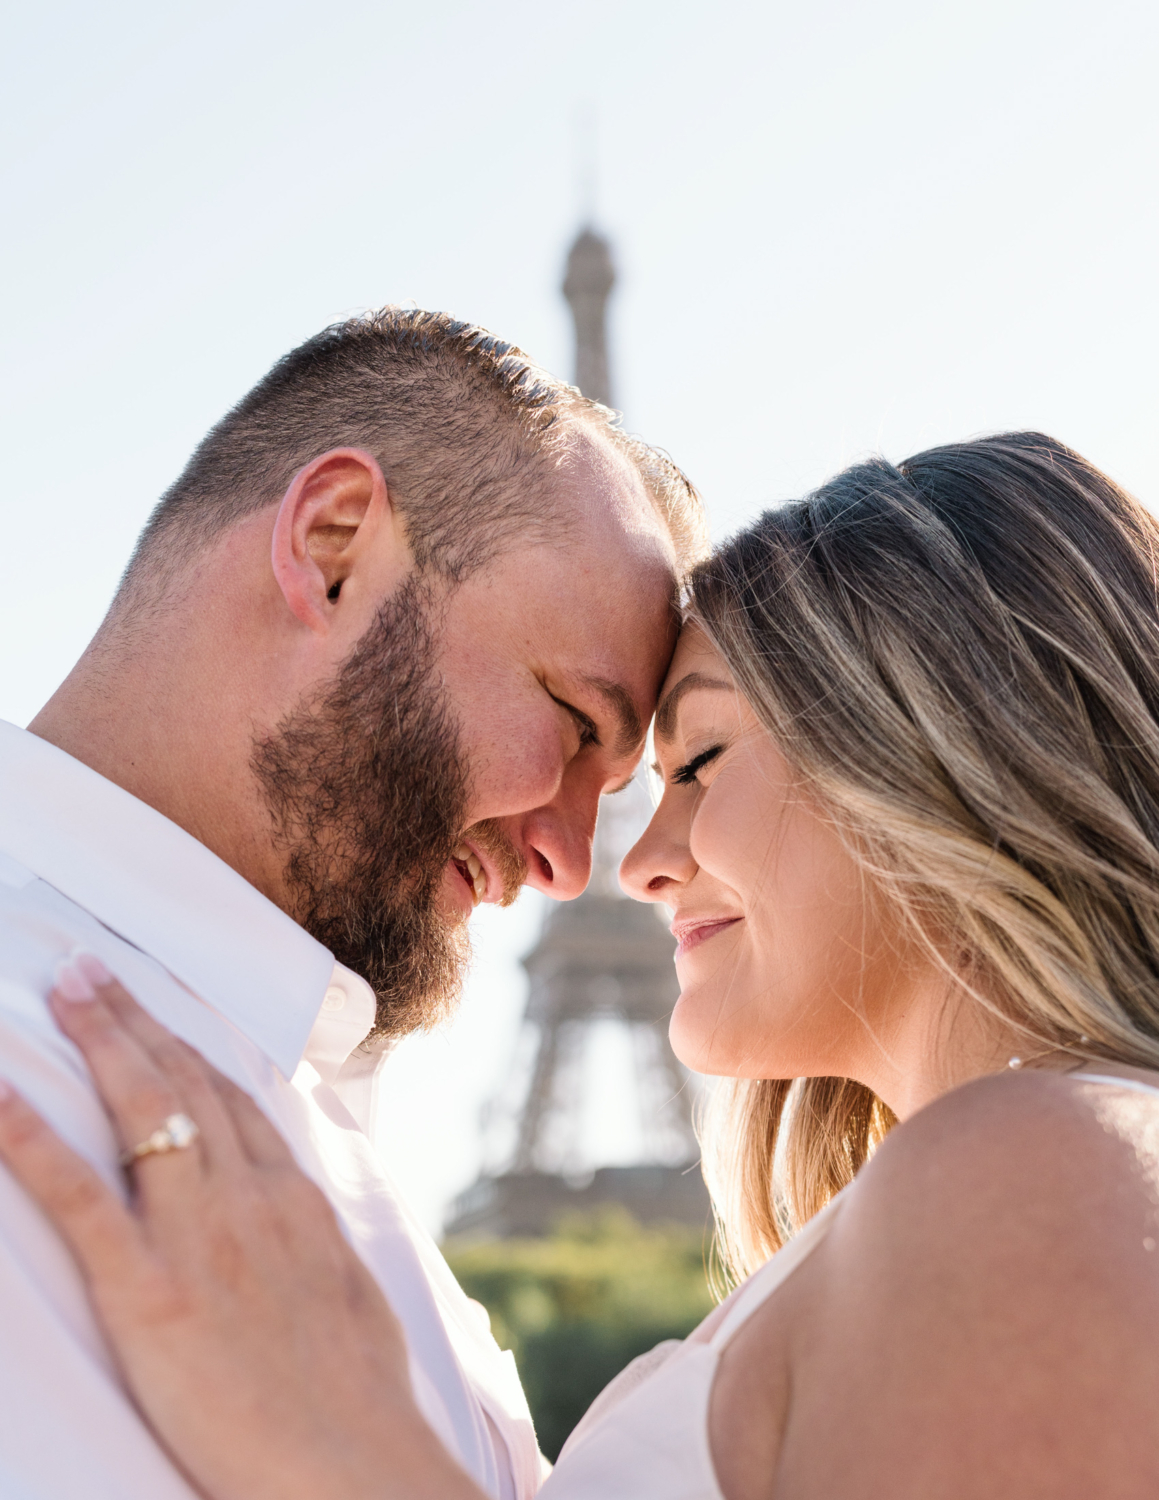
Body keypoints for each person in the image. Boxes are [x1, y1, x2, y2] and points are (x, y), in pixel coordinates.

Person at [4, 429, 1159, 1498]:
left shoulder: (1037, 1171)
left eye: (697, 758)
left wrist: (349, 1452)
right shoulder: (1019, 1187)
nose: (629, 863)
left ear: (939, 758)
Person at [0, 306, 707, 1499]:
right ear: (332, 546)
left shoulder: (350, 1191)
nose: (571, 865)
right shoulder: (47, 1092)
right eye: (575, 722)